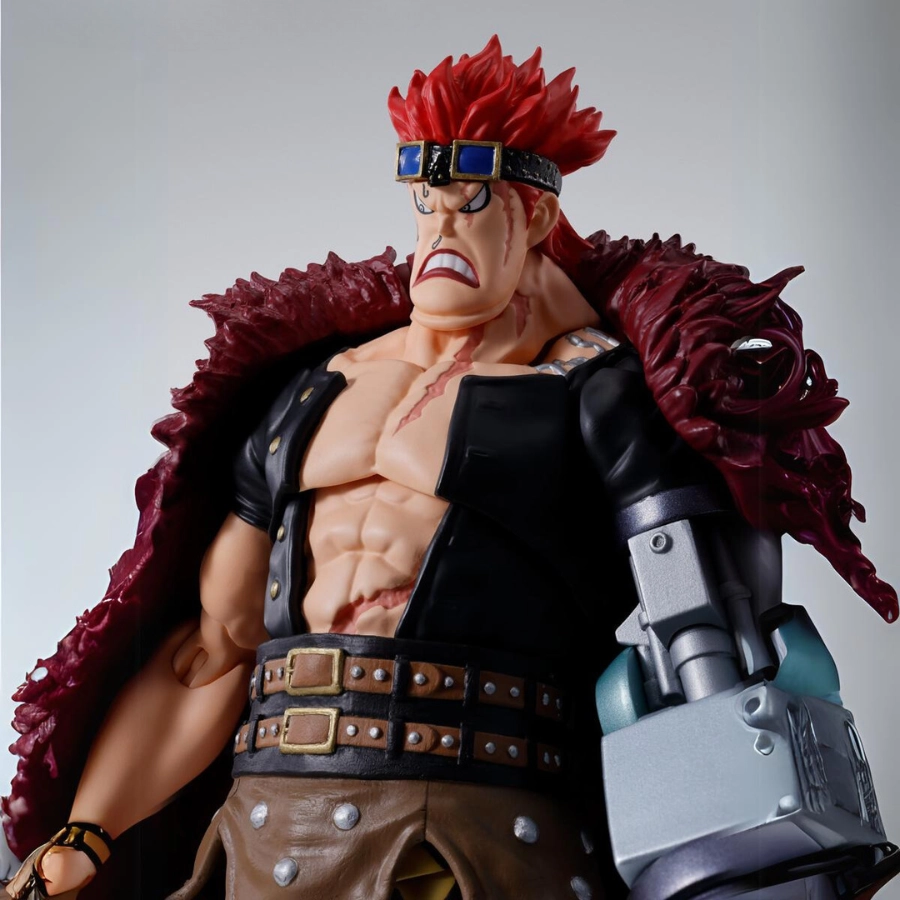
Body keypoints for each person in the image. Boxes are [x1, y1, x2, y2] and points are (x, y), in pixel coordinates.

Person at [3, 37, 897, 900]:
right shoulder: (313, 391)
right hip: (268, 831)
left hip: (476, 841)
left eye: (471, 202)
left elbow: (708, 634)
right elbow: (211, 652)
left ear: (534, 215)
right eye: (426, 202)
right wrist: (87, 831)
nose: (441, 228)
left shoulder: (594, 392)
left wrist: (769, 853)